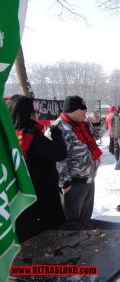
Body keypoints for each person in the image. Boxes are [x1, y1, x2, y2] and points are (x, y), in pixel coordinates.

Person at [7, 95, 67, 242]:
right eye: (35, 110)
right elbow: (60, 153)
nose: (38, 113)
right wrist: (56, 133)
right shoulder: (32, 135)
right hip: (43, 195)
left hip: (21, 195)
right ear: (27, 112)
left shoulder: (11, 135)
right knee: (48, 238)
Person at [49, 95, 105, 221]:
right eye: (82, 109)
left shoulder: (83, 123)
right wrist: (64, 183)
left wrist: (97, 123)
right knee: (72, 222)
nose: (86, 111)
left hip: (89, 179)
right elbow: (57, 159)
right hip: (73, 184)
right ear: (72, 110)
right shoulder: (58, 128)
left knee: (85, 219)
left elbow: (97, 135)